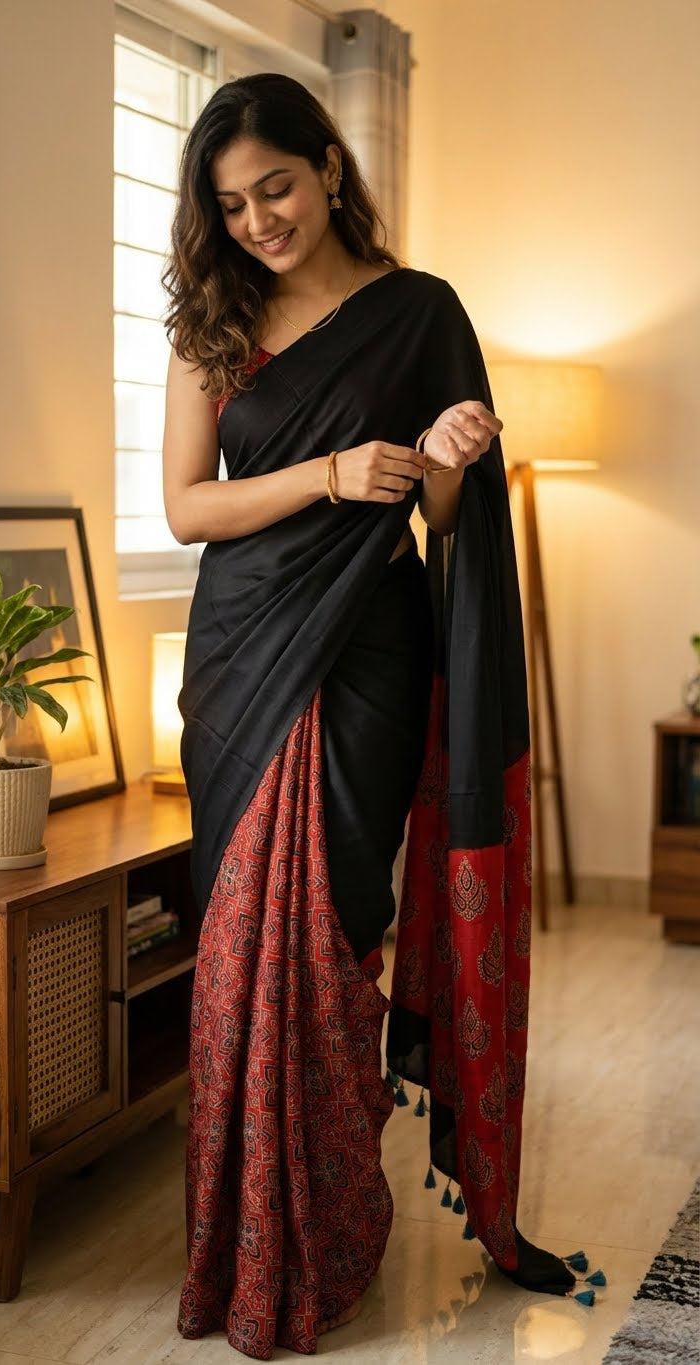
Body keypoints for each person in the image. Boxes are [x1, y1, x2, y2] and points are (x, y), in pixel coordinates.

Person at [162, 72, 581, 1362]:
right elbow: (188, 508)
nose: (259, 222)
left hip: (369, 657)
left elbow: (443, 518)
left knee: (340, 928)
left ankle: (330, 1230)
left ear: (330, 169)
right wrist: (330, 472)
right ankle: (242, 1245)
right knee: (237, 942)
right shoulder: (213, 323)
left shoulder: (419, 313)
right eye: (233, 205)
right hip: (241, 661)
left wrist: (443, 460)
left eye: (277, 187)